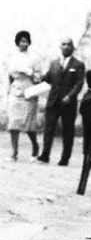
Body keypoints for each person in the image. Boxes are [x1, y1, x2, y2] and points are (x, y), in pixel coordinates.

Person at [39, 38, 85, 166]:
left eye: (69, 44)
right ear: (60, 46)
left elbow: (79, 83)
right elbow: (48, 79)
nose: (66, 47)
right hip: (53, 100)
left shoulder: (78, 64)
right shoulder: (54, 63)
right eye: (63, 44)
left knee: (68, 130)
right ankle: (45, 154)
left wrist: (70, 96)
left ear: (73, 47)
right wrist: (39, 77)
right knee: (48, 129)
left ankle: (65, 158)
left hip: (68, 103)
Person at [7, 30, 42, 162]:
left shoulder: (34, 58)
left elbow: (39, 77)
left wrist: (30, 72)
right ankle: (14, 152)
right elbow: (9, 75)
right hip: (16, 92)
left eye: (26, 40)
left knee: (28, 125)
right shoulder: (13, 56)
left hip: (29, 91)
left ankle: (35, 146)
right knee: (13, 123)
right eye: (22, 41)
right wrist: (10, 90)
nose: (24, 43)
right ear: (17, 42)